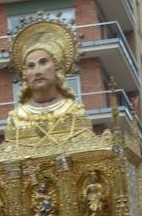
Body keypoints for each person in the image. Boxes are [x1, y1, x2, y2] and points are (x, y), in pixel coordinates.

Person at [5, 18, 91, 148]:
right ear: (25, 74)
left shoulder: (74, 112)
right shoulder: (16, 118)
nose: (37, 71)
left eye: (43, 62)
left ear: (56, 67)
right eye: (31, 66)